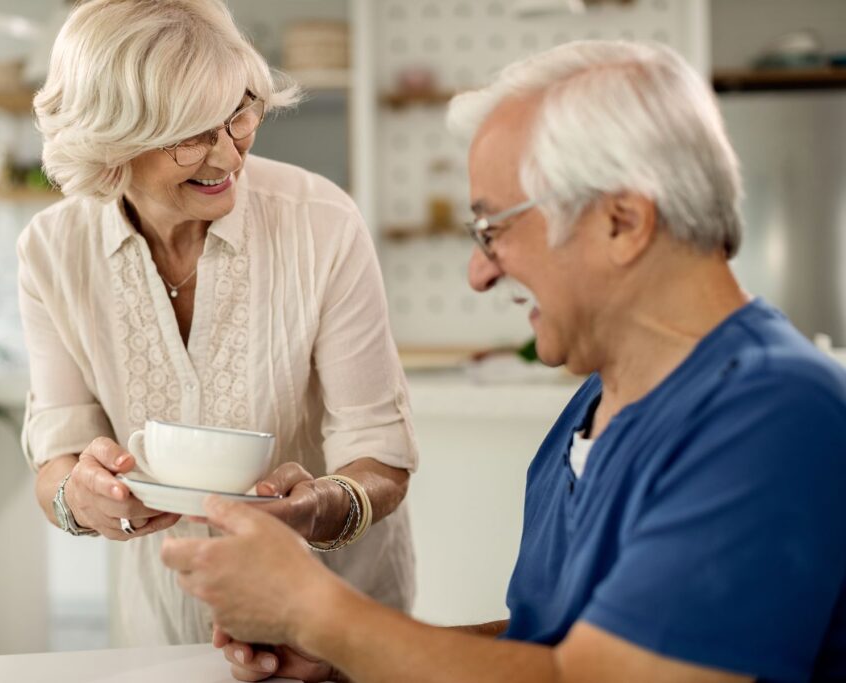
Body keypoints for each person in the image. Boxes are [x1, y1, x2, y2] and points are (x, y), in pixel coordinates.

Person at [161, 40, 846, 682]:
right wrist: (345, 654)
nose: (479, 273)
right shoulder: (598, 404)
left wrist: (311, 606)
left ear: (622, 221)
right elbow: (551, 645)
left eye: (496, 228)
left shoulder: (776, 414)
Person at [18, 0, 418, 645]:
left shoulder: (320, 223)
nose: (229, 155)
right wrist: (80, 498)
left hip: (335, 626)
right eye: (192, 133)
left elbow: (382, 455)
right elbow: (57, 454)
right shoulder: (52, 251)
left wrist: (321, 508)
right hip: (161, 630)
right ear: (108, 141)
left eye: (239, 114)